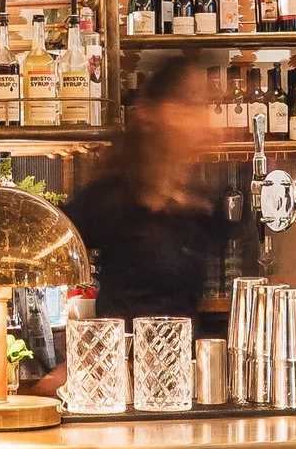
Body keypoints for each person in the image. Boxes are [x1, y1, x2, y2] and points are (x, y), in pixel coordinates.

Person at [65, 45, 223, 321]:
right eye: (189, 103)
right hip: (122, 359)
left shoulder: (203, 205)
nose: (202, 117)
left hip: (180, 359)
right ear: (150, 113)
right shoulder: (115, 198)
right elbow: (53, 242)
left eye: (205, 105)